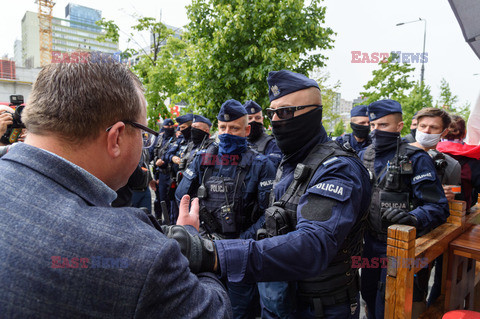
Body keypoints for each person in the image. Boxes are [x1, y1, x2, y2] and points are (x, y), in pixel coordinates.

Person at [0, 57, 231, 317]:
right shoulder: (138, 253)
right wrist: (193, 246)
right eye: (143, 134)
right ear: (117, 137)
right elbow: (214, 311)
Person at [169, 70, 372, 319]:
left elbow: (312, 246)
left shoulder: (337, 168)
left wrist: (216, 253)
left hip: (320, 306)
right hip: (279, 297)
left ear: (314, 112)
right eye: (272, 112)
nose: (276, 119)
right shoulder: (293, 162)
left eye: (285, 112)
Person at [175, 99, 276, 319]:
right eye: (222, 127)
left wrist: (237, 243)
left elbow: (267, 214)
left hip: (240, 254)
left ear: (247, 130)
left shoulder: (261, 164)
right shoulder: (203, 159)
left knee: (239, 311)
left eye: (234, 128)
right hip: (204, 249)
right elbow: (182, 197)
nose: (227, 132)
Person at [358, 100, 449, 319]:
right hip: (368, 244)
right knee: (368, 297)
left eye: (383, 125)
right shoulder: (364, 155)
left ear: (399, 127)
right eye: (373, 125)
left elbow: (437, 206)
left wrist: (413, 218)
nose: (376, 131)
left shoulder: (416, 158)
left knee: (388, 306)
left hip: (398, 248)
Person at [437, 115, 480, 209]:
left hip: (425, 213)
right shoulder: (472, 160)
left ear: (442, 132)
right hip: (460, 215)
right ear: (464, 134)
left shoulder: (425, 153)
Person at [163, 113, 194, 223]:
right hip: (176, 183)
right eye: (180, 128)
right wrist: (173, 158)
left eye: (184, 128)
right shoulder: (180, 141)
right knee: (174, 214)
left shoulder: (196, 143)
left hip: (190, 187)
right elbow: (166, 155)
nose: (181, 130)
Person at [150, 118, 176, 221]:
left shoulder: (176, 140)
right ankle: (158, 220)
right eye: (167, 126)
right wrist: (154, 176)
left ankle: (168, 222)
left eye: (171, 126)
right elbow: (151, 155)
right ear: (163, 127)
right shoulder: (158, 139)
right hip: (160, 174)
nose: (170, 128)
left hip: (170, 175)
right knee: (160, 200)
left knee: (170, 200)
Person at [244, 100, 282, 167]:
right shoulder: (238, 143)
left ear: (262, 119)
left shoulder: (272, 144)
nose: (254, 121)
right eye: (249, 118)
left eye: (257, 118)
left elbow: (272, 166)